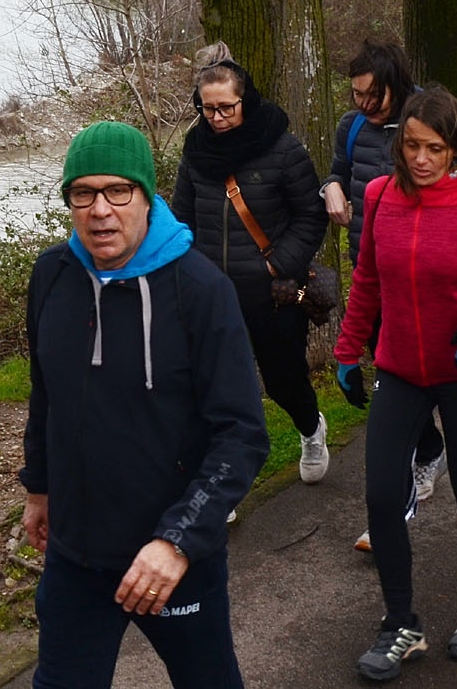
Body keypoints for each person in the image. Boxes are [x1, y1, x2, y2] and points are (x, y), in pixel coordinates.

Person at [22, 121, 271, 689]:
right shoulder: (52, 276)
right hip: (75, 556)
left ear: (147, 194)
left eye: (118, 191)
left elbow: (241, 434)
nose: (100, 211)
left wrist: (178, 541)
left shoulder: (200, 290)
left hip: (172, 561)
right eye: (83, 193)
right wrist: (39, 487)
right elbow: (46, 392)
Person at [333, 87, 457, 681]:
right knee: (382, 496)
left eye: (434, 149)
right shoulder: (379, 194)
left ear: (455, 148)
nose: (421, 159)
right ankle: (401, 624)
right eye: (412, 146)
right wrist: (347, 350)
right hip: (400, 370)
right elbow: (367, 277)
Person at [174, 48, 331, 483]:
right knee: (215, 389)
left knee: (283, 382)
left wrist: (276, 266)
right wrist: (192, 273)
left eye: (226, 107)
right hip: (214, 295)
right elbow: (181, 217)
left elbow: (310, 215)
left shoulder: (282, 148)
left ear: (246, 100)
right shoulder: (195, 152)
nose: (217, 118)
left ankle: (310, 428)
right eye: (208, 109)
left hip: (272, 294)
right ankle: (221, 482)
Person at [321, 38, 446, 551]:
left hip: (425, 276)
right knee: (392, 380)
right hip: (370, 271)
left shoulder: (428, 120)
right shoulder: (352, 127)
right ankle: (427, 451)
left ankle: (409, 485)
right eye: (355, 94)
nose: (363, 104)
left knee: (416, 382)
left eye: (372, 95)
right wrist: (329, 187)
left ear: (396, 84)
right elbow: (339, 171)